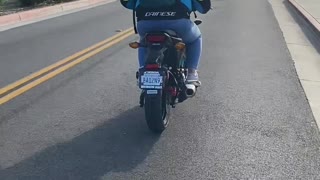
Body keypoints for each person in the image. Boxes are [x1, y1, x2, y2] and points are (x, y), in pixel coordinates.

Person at [120, 0, 211, 84]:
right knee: (195, 39)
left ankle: (143, 72)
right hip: (178, 23)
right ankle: (191, 72)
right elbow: (203, 8)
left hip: (145, 24)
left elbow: (127, 3)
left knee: (144, 42)